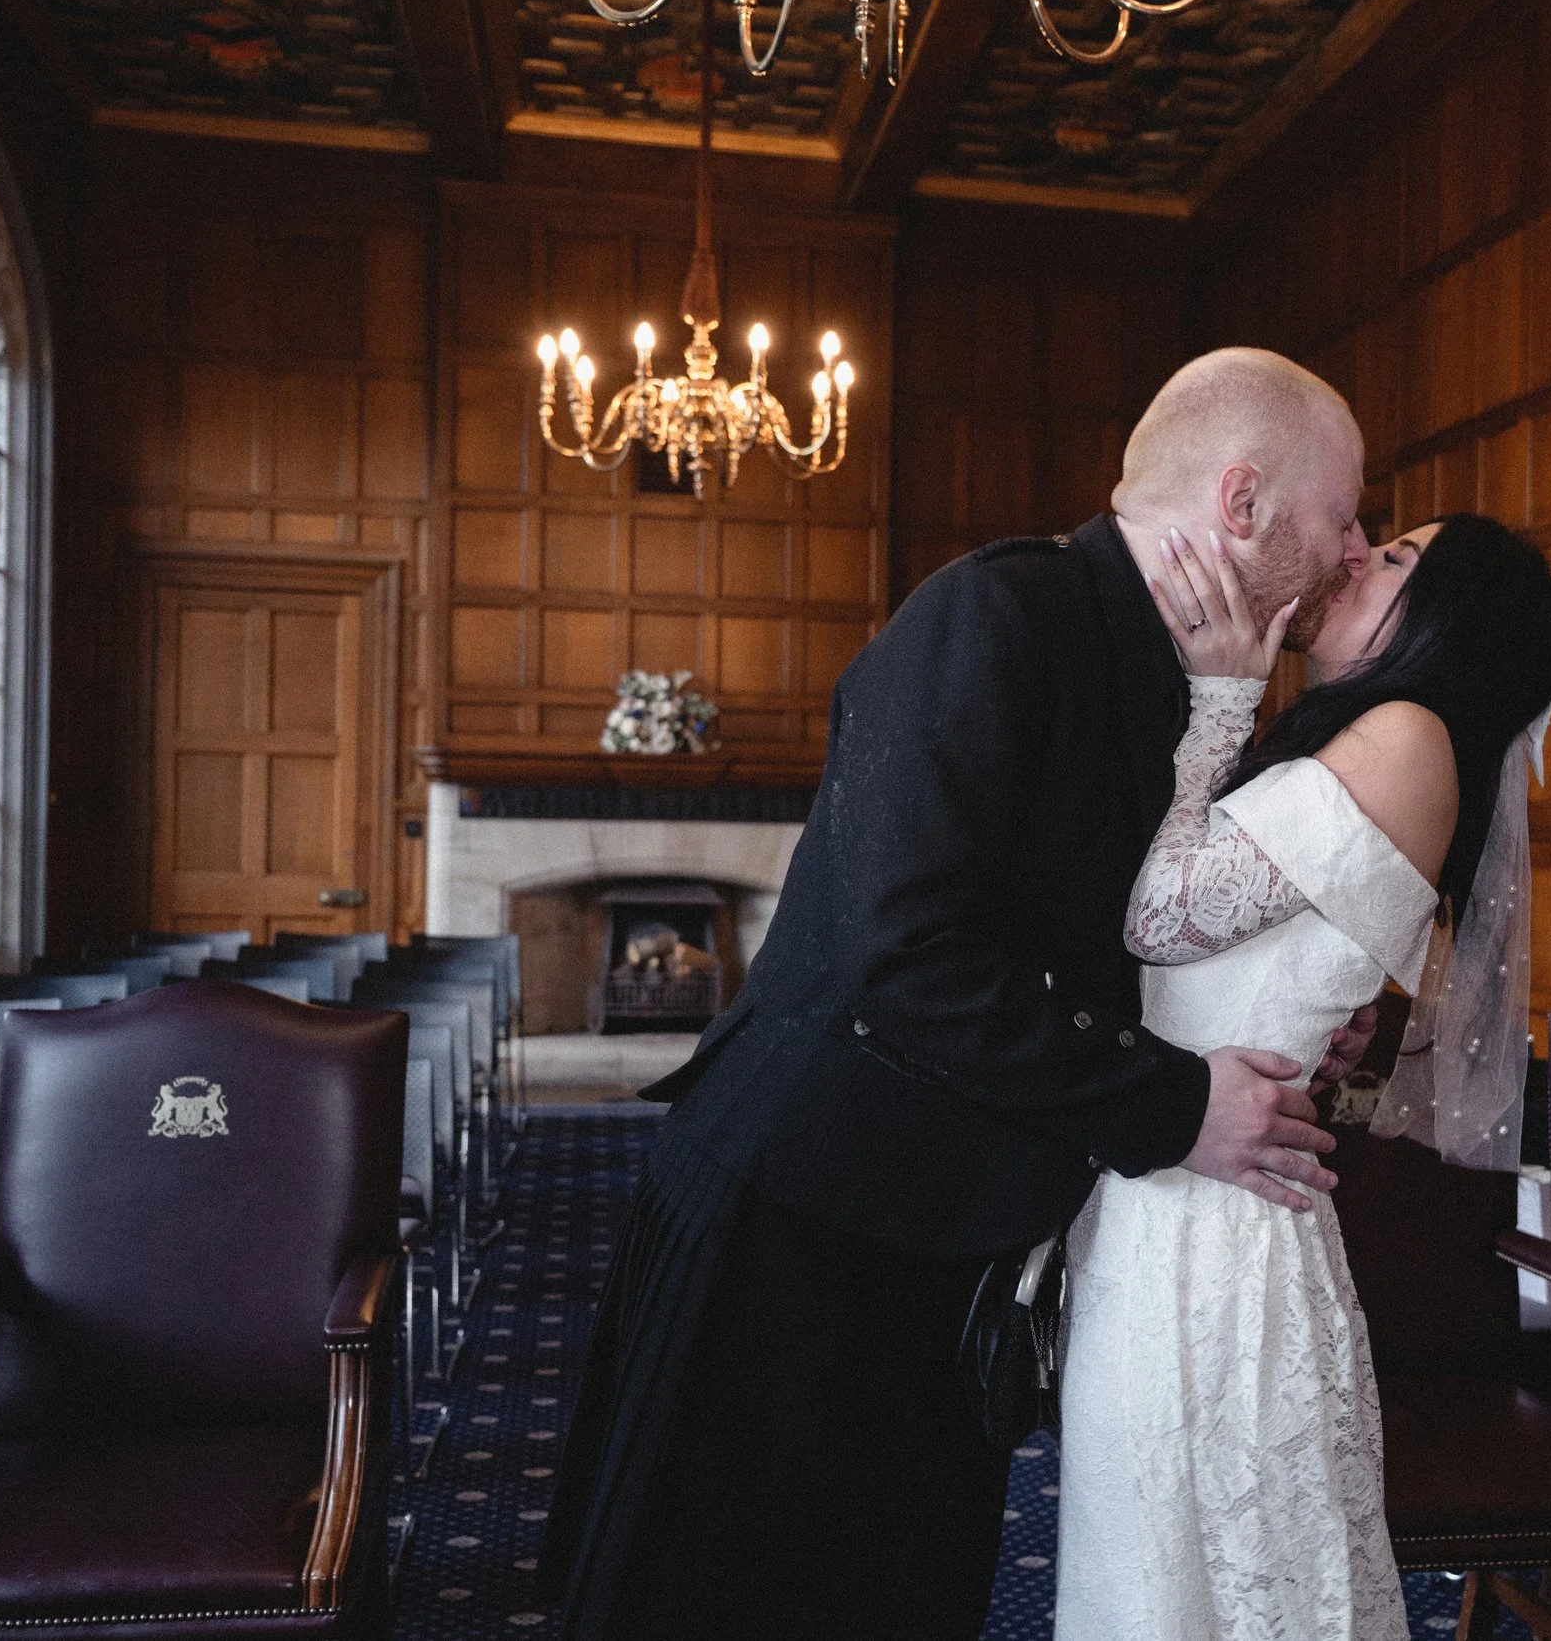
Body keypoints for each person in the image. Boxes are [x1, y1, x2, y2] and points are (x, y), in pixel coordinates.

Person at [541, 347, 1378, 1641]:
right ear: (1244, 500)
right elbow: (908, 958)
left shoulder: (1200, 682)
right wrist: (1176, 1106)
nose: (1357, 542)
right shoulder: (999, 612)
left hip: (943, 1242)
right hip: (796, 1226)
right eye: (1347, 509)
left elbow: (1124, 934)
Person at [1055, 510, 1551, 1641]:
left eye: (1394, 559)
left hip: (1217, 1229)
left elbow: (1157, 912)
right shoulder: (1381, 736)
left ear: (1448, 621)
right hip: (1186, 1188)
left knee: (1206, 1579)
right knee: (1163, 1566)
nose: (1356, 554)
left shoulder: (1405, 733)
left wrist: (1218, 692)